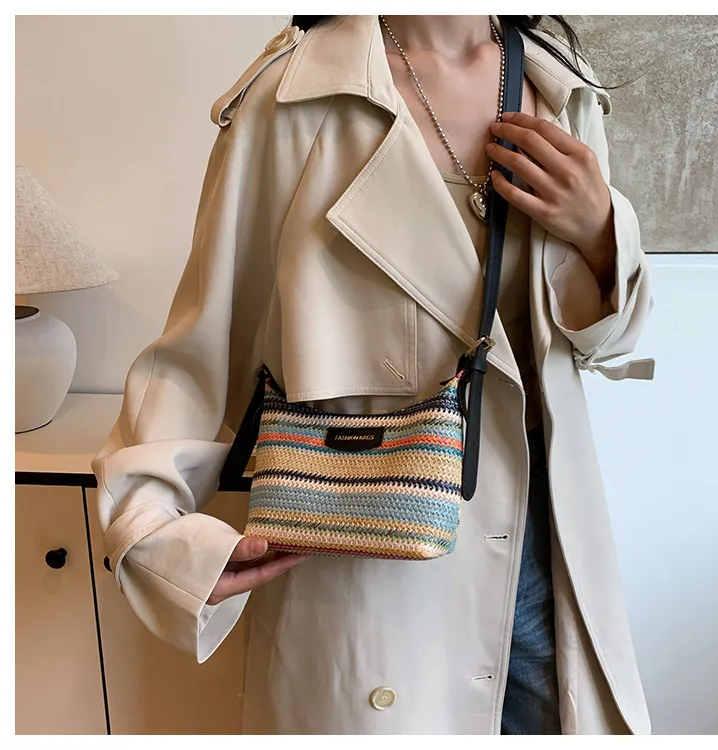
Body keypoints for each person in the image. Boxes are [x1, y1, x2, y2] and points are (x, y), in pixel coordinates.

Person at [91, 15, 655, 735]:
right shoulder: (290, 100)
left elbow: (601, 345)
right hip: (364, 549)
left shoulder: (559, 88)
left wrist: (602, 233)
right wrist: (151, 526)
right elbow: (201, 349)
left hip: (542, 551)